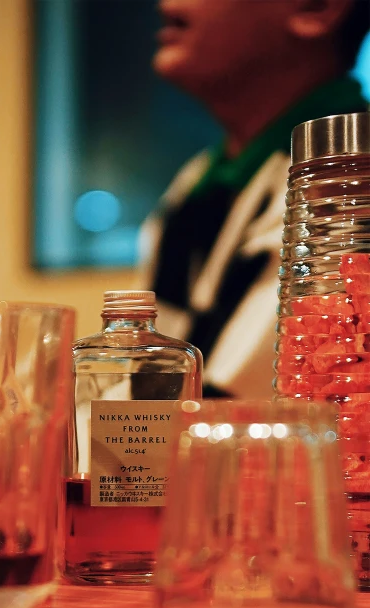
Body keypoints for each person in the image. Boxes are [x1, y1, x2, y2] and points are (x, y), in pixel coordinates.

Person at [139, 0, 369, 397]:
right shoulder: (197, 182)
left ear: (317, 7)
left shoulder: (349, 177)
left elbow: (255, 402)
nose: (167, 4)